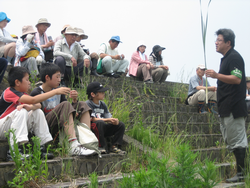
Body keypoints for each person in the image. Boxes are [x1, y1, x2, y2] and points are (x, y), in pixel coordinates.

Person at [0, 66, 71, 161]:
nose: (29, 82)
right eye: (27, 80)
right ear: (17, 82)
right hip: (2, 127)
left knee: (37, 112)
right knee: (21, 111)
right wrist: (55, 92)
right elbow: (33, 99)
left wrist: (31, 107)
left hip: (12, 127)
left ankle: (42, 146)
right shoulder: (9, 92)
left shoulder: (23, 94)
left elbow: (38, 105)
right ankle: (15, 150)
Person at [206, 28, 248, 183]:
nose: (216, 43)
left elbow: (237, 79)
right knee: (232, 140)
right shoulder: (226, 58)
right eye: (216, 40)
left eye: (219, 40)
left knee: (238, 141)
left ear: (228, 43)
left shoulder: (234, 57)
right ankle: (242, 173)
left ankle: (242, 175)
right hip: (226, 108)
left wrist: (217, 75)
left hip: (234, 107)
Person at [30, 63, 95, 156]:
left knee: (82, 105)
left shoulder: (59, 91)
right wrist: (55, 92)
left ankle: (87, 141)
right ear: (47, 77)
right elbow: (37, 113)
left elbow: (68, 109)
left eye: (60, 77)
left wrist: (74, 100)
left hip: (60, 121)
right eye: (57, 77)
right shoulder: (37, 92)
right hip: (45, 126)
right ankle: (73, 145)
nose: (59, 80)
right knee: (65, 104)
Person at [86, 82, 125, 154]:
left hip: (103, 127)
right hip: (94, 128)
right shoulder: (88, 104)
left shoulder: (103, 104)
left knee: (120, 124)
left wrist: (113, 121)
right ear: (93, 94)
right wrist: (108, 120)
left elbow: (108, 116)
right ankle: (100, 146)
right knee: (99, 123)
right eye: (101, 92)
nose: (104, 93)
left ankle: (114, 146)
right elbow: (93, 119)